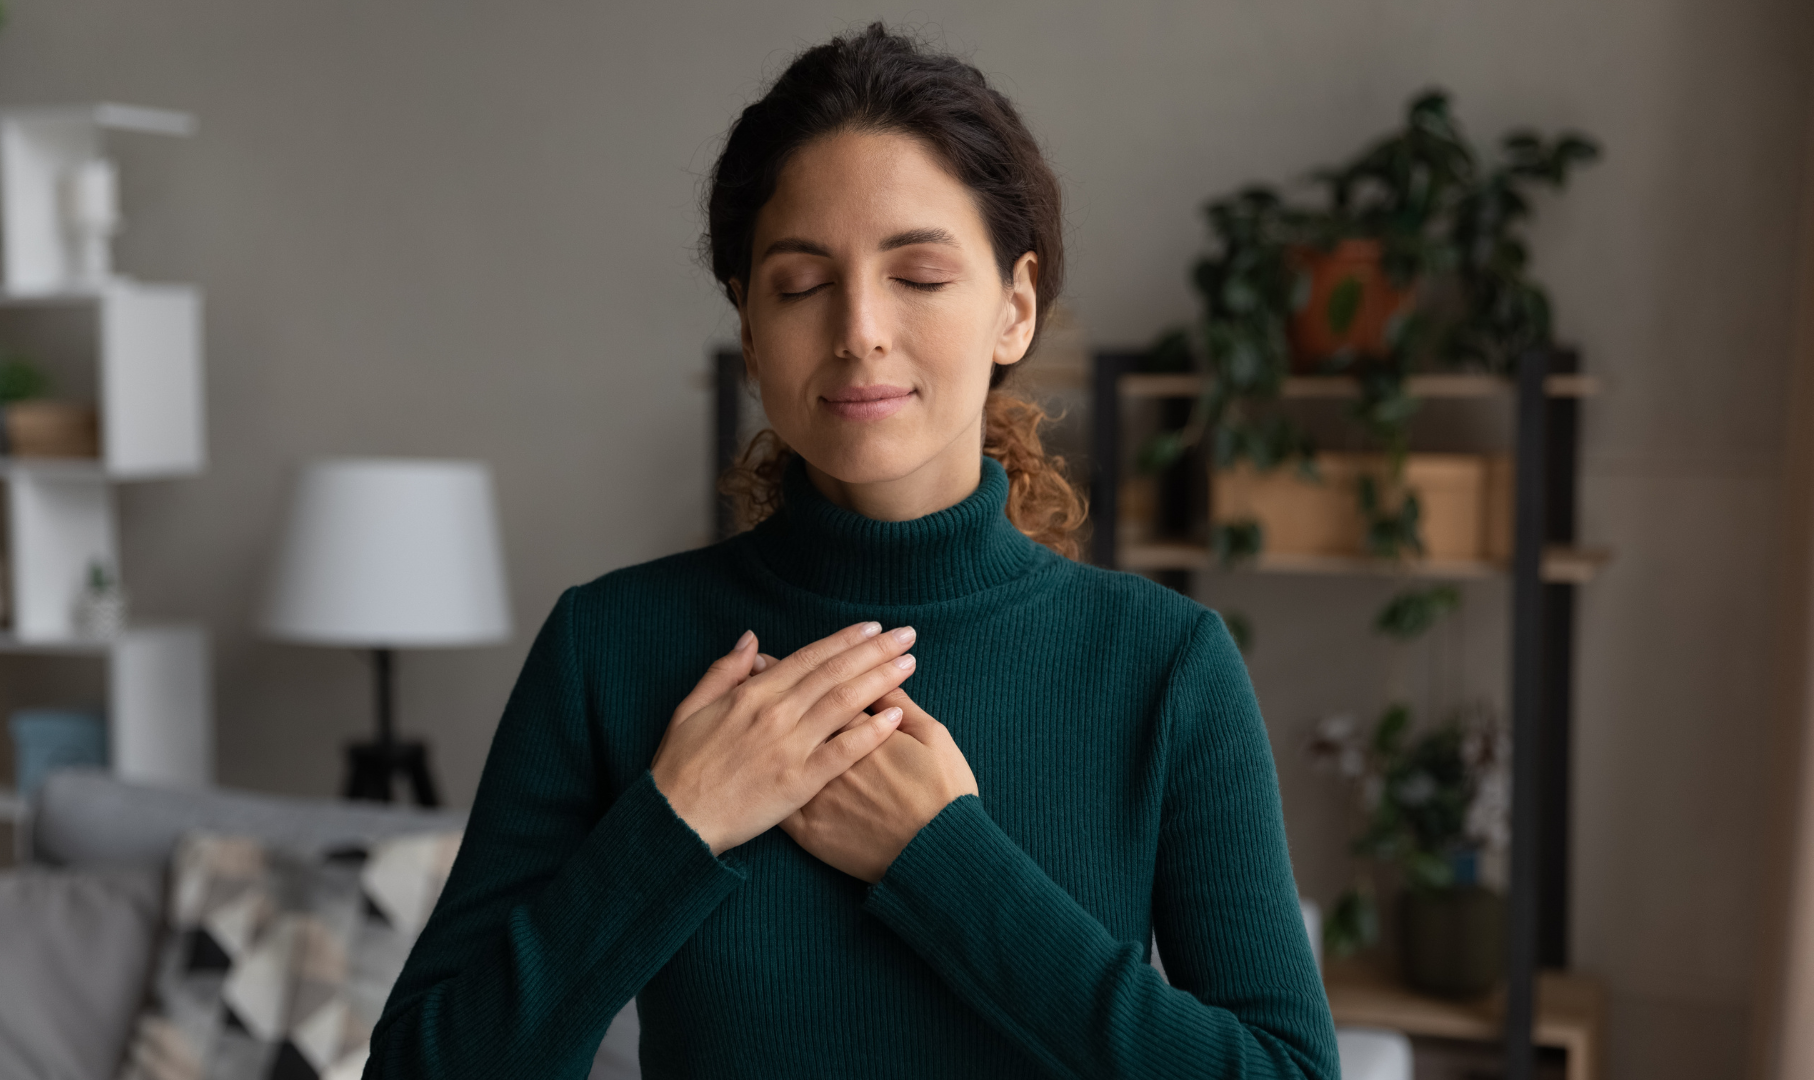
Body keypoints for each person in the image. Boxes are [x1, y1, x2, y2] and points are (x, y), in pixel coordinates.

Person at [368, 23, 1337, 1080]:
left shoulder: (1162, 666)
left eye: (918, 274)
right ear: (748, 325)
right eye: (798, 284)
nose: (859, 329)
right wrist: (675, 827)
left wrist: (947, 866)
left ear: (1014, 308)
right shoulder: (609, 646)